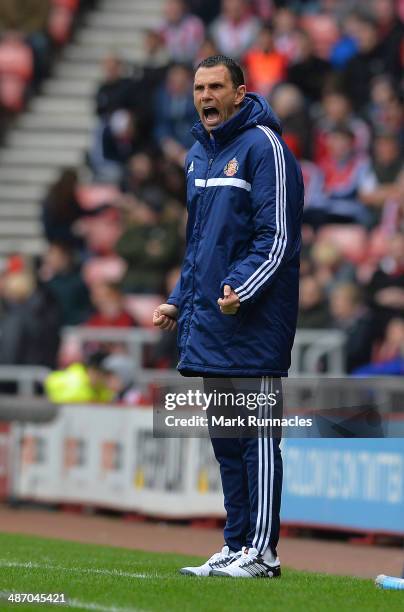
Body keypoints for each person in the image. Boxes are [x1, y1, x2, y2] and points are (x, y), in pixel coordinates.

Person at [153, 55, 304, 578]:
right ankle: (237, 543)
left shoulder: (266, 148)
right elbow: (198, 247)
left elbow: (278, 236)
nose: (205, 96)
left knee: (259, 441)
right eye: (198, 88)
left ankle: (263, 552)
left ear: (240, 93)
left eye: (216, 87)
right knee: (227, 443)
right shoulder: (199, 154)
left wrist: (242, 287)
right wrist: (178, 297)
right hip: (212, 322)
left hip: (256, 322)